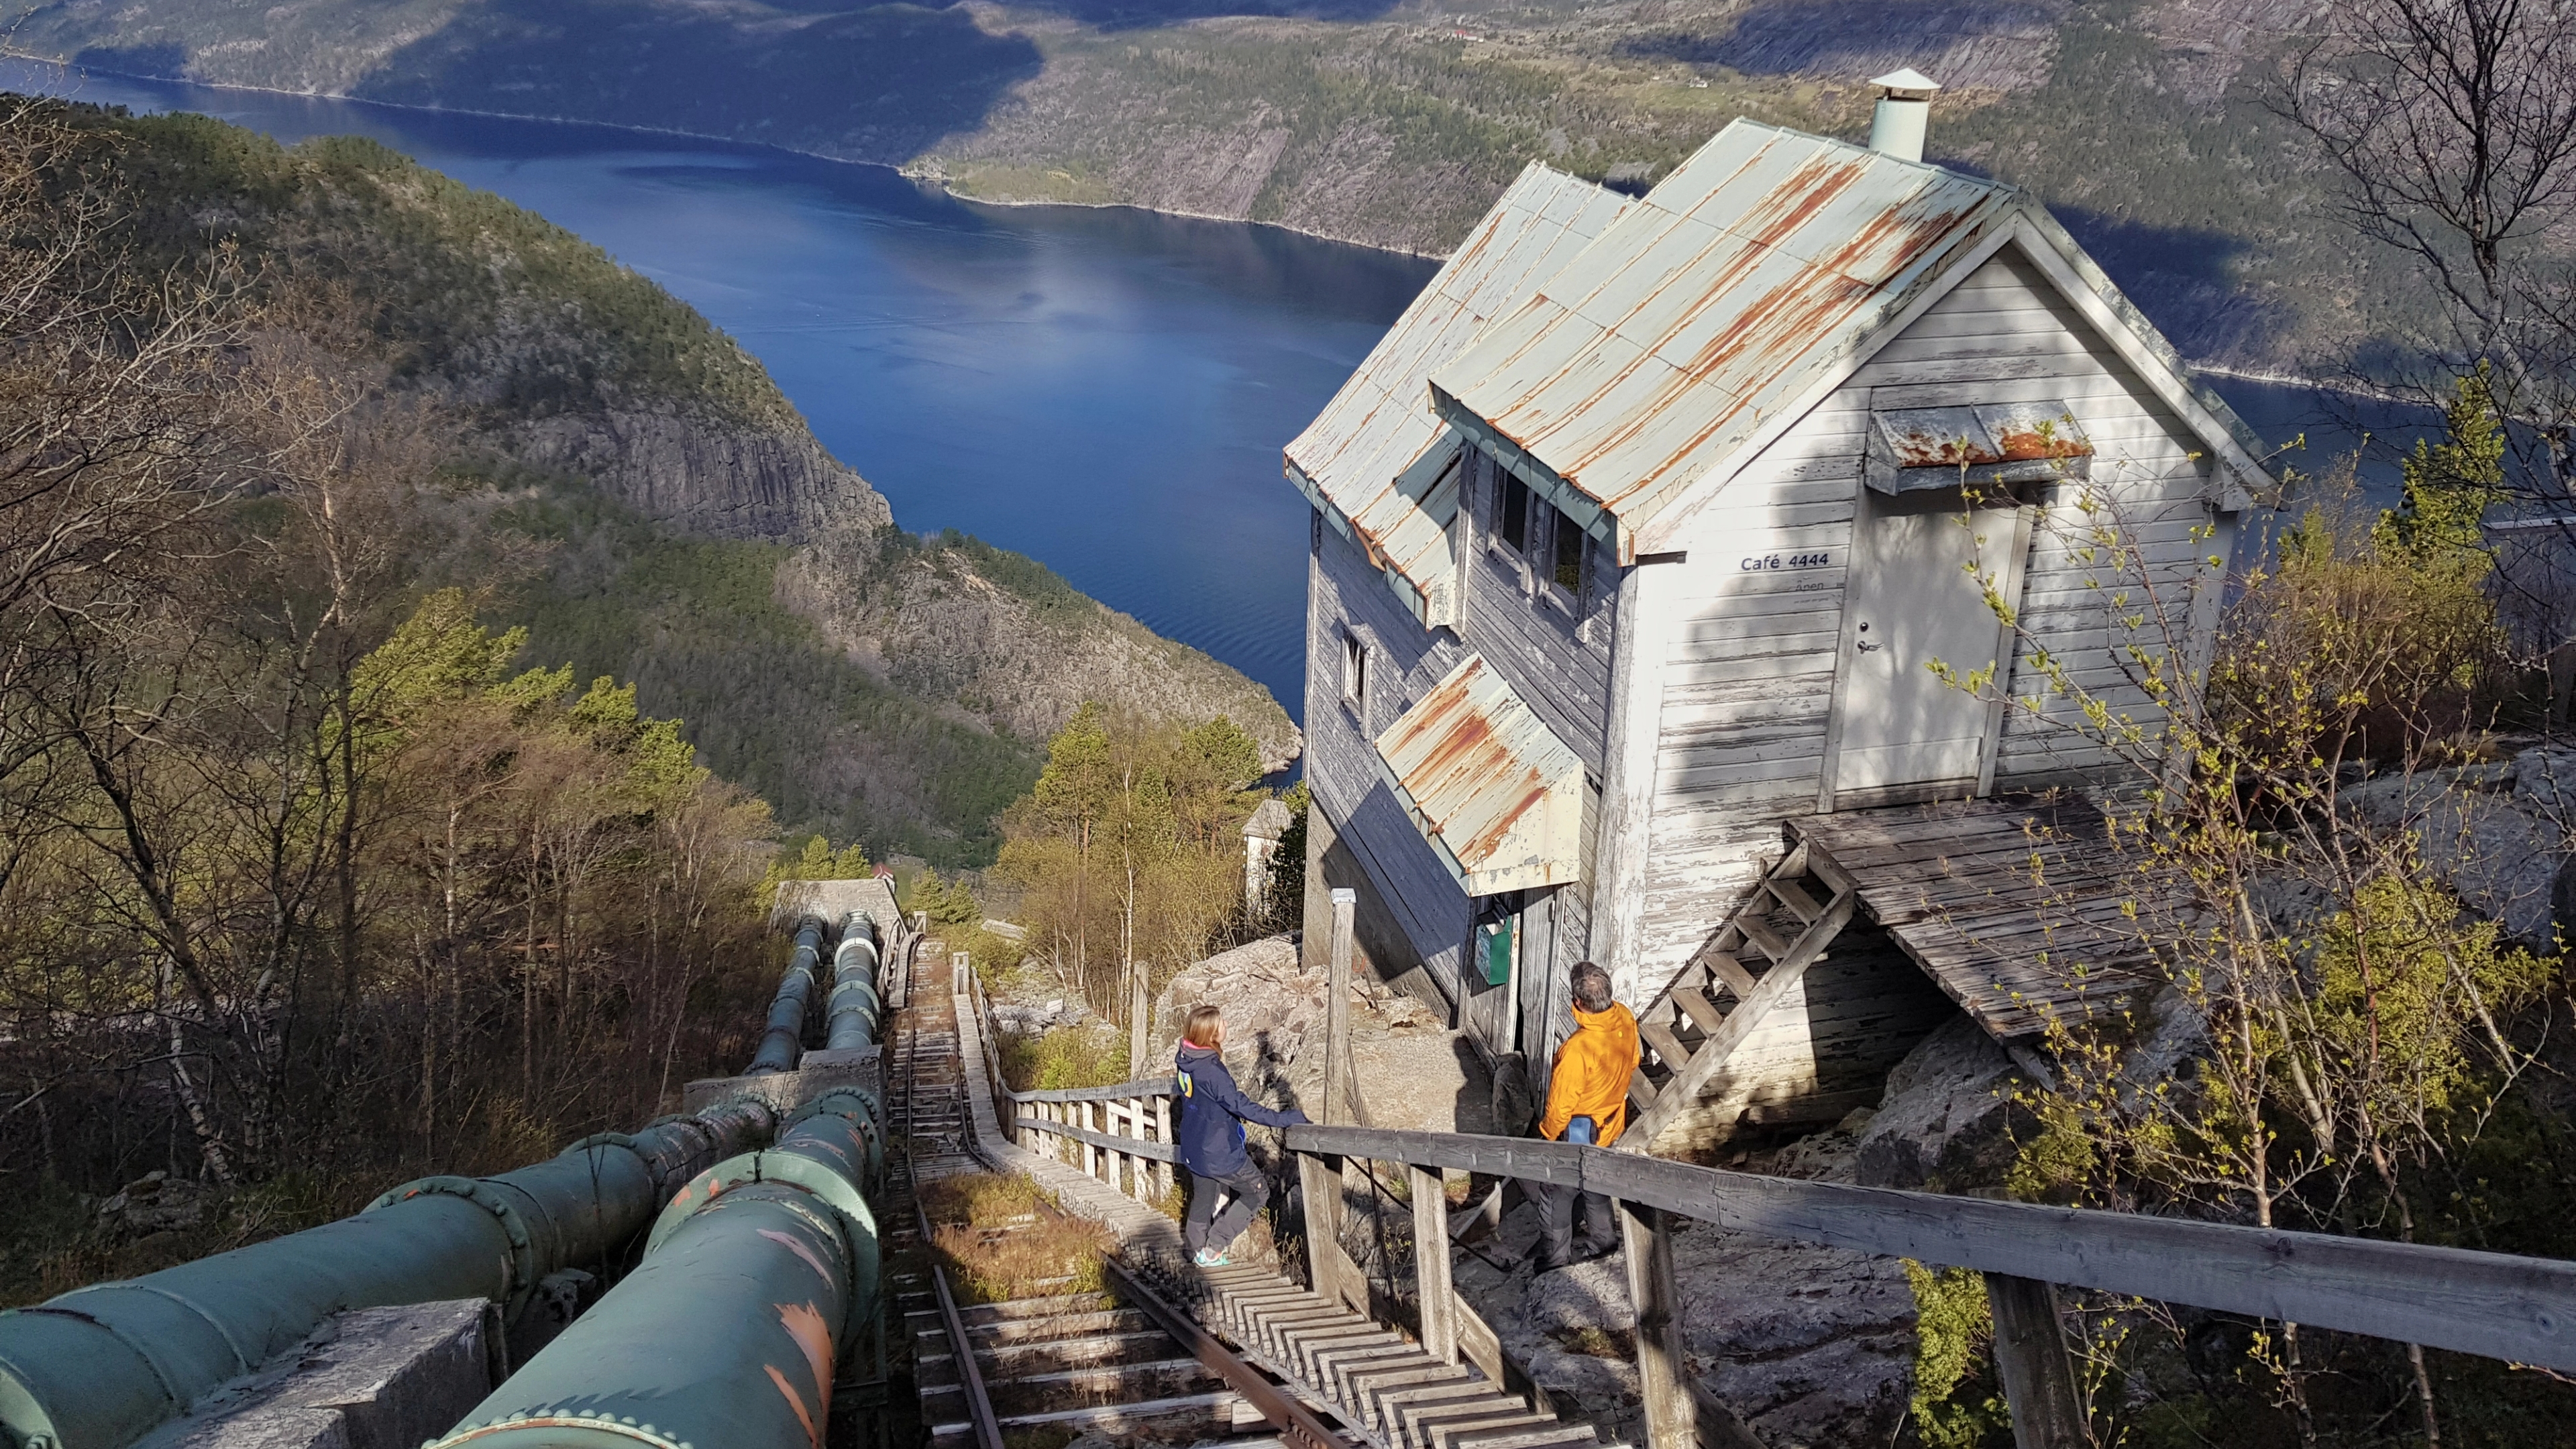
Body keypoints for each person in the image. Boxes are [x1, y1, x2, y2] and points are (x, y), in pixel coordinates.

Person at [1174, 1004, 1309, 1267]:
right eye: (1221, 1022)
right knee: (1257, 1192)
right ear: (1211, 1034)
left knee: (1203, 1197)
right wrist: (1283, 1119)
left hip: (1194, 1147)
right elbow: (1240, 1106)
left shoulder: (1186, 1060)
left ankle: (1194, 1250)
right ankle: (1214, 1248)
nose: (1226, 1025)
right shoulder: (1211, 1072)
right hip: (1219, 1152)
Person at [1531, 961, 1640, 1273]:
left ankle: (1554, 1263)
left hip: (1577, 1129)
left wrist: (1548, 1135)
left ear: (1578, 1002)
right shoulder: (1625, 1018)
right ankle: (1603, 1247)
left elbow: (1561, 1108)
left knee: (1556, 1192)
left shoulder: (1578, 1049)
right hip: (1609, 1121)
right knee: (1596, 1185)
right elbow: (1633, 1062)